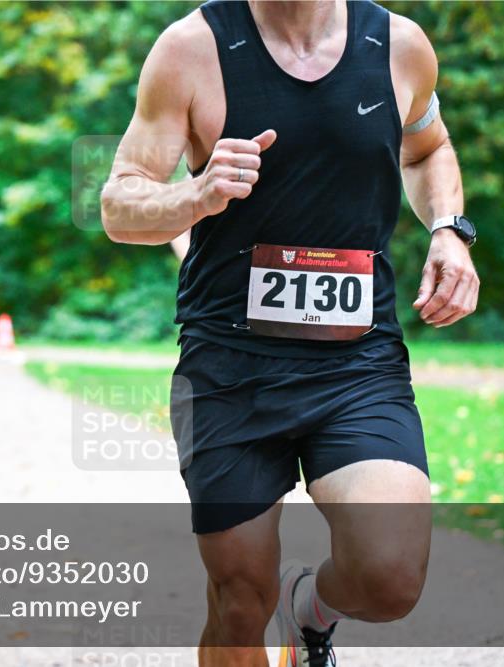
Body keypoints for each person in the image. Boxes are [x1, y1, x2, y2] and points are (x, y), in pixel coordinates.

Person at [101, 1, 480, 665]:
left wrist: (449, 229)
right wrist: (193, 197)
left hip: (355, 363)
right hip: (229, 365)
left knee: (389, 576)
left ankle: (309, 607)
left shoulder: (398, 45)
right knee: (241, 601)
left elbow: (429, 148)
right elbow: (120, 203)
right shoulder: (191, 50)